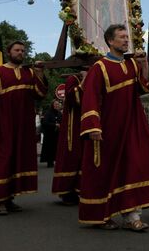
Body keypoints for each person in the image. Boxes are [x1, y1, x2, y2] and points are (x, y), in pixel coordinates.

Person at [78, 24, 149, 231]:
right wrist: (93, 126)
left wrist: (144, 64)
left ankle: (132, 216)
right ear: (110, 41)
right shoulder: (99, 67)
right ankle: (101, 215)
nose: (126, 40)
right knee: (107, 172)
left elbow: (145, 88)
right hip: (109, 129)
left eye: (126, 37)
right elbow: (91, 99)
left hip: (133, 125)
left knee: (135, 168)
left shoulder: (132, 65)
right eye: (121, 37)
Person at [0, 40, 48, 215]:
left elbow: (40, 94)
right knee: (2, 160)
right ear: (9, 52)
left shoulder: (29, 72)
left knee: (18, 159)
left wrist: (40, 73)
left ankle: (9, 197)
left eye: (23, 51)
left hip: (24, 125)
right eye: (17, 50)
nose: (20, 53)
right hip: (4, 125)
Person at [52, 73, 85, 205]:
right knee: (71, 156)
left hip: (87, 122)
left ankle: (81, 189)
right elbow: (73, 98)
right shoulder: (73, 79)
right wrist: (85, 79)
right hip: (73, 126)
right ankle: (67, 191)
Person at [40, 100, 63, 168]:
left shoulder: (59, 113)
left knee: (56, 149)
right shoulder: (48, 113)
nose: (57, 106)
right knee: (49, 149)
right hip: (49, 135)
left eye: (58, 104)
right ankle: (49, 162)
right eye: (56, 104)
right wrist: (54, 125)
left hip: (57, 135)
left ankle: (54, 161)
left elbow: (62, 121)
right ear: (52, 105)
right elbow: (45, 123)